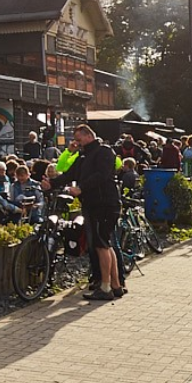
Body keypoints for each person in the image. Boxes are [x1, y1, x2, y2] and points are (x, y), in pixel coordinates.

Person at [62, 124, 123, 301]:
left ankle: (105, 287)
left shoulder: (103, 151)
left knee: (100, 244)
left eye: (79, 140)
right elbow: (69, 173)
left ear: (89, 136)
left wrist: (81, 188)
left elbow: (102, 175)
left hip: (103, 203)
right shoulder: (84, 155)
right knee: (106, 243)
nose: (77, 143)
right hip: (96, 204)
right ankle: (115, 285)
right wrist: (52, 182)